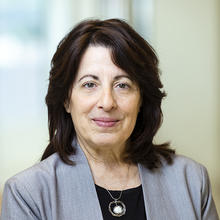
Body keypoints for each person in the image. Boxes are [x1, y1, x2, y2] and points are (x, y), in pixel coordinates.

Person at [0, 19, 219, 220]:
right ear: (66, 100)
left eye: (122, 85)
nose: (107, 102)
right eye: (89, 84)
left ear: (141, 98)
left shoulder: (191, 180)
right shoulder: (26, 193)